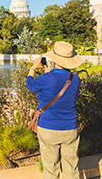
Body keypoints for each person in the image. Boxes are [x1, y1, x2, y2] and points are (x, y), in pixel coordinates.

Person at [26, 41, 83, 179]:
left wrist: (33, 68)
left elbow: (30, 85)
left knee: (51, 170)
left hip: (48, 128)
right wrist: (48, 73)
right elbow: (59, 84)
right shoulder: (75, 79)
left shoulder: (46, 78)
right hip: (69, 128)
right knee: (71, 168)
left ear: (54, 58)